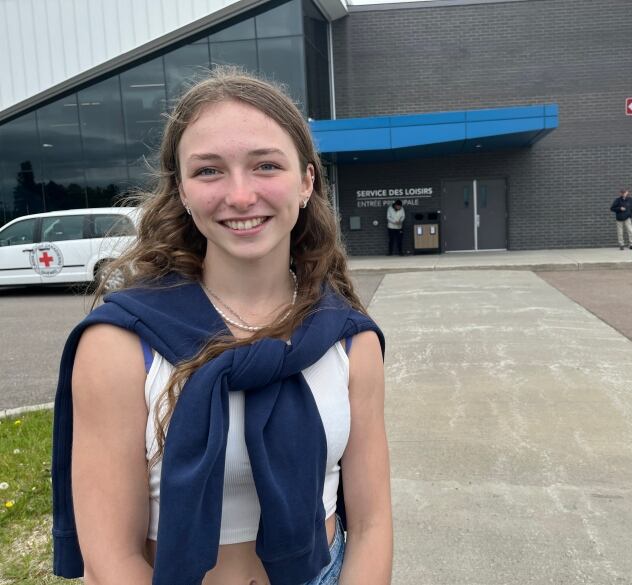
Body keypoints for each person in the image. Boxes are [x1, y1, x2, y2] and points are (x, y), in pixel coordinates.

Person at [51, 67, 393, 585]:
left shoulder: (350, 340)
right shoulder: (120, 345)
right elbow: (112, 559)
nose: (239, 195)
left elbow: (370, 524)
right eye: (209, 171)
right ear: (183, 192)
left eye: (266, 165)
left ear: (305, 182)